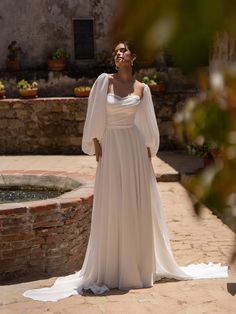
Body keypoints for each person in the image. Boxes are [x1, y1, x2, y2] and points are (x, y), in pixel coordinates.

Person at [22, 41, 229, 302]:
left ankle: (136, 268)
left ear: (133, 56)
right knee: (112, 203)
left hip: (133, 149)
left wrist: (148, 151)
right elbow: (94, 114)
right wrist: (96, 141)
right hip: (111, 148)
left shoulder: (142, 89)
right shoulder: (103, 81)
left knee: (133, 204)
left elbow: (148, 125)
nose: (119, 54)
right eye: (116, 51)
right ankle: (112, 267)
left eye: (124, 50)